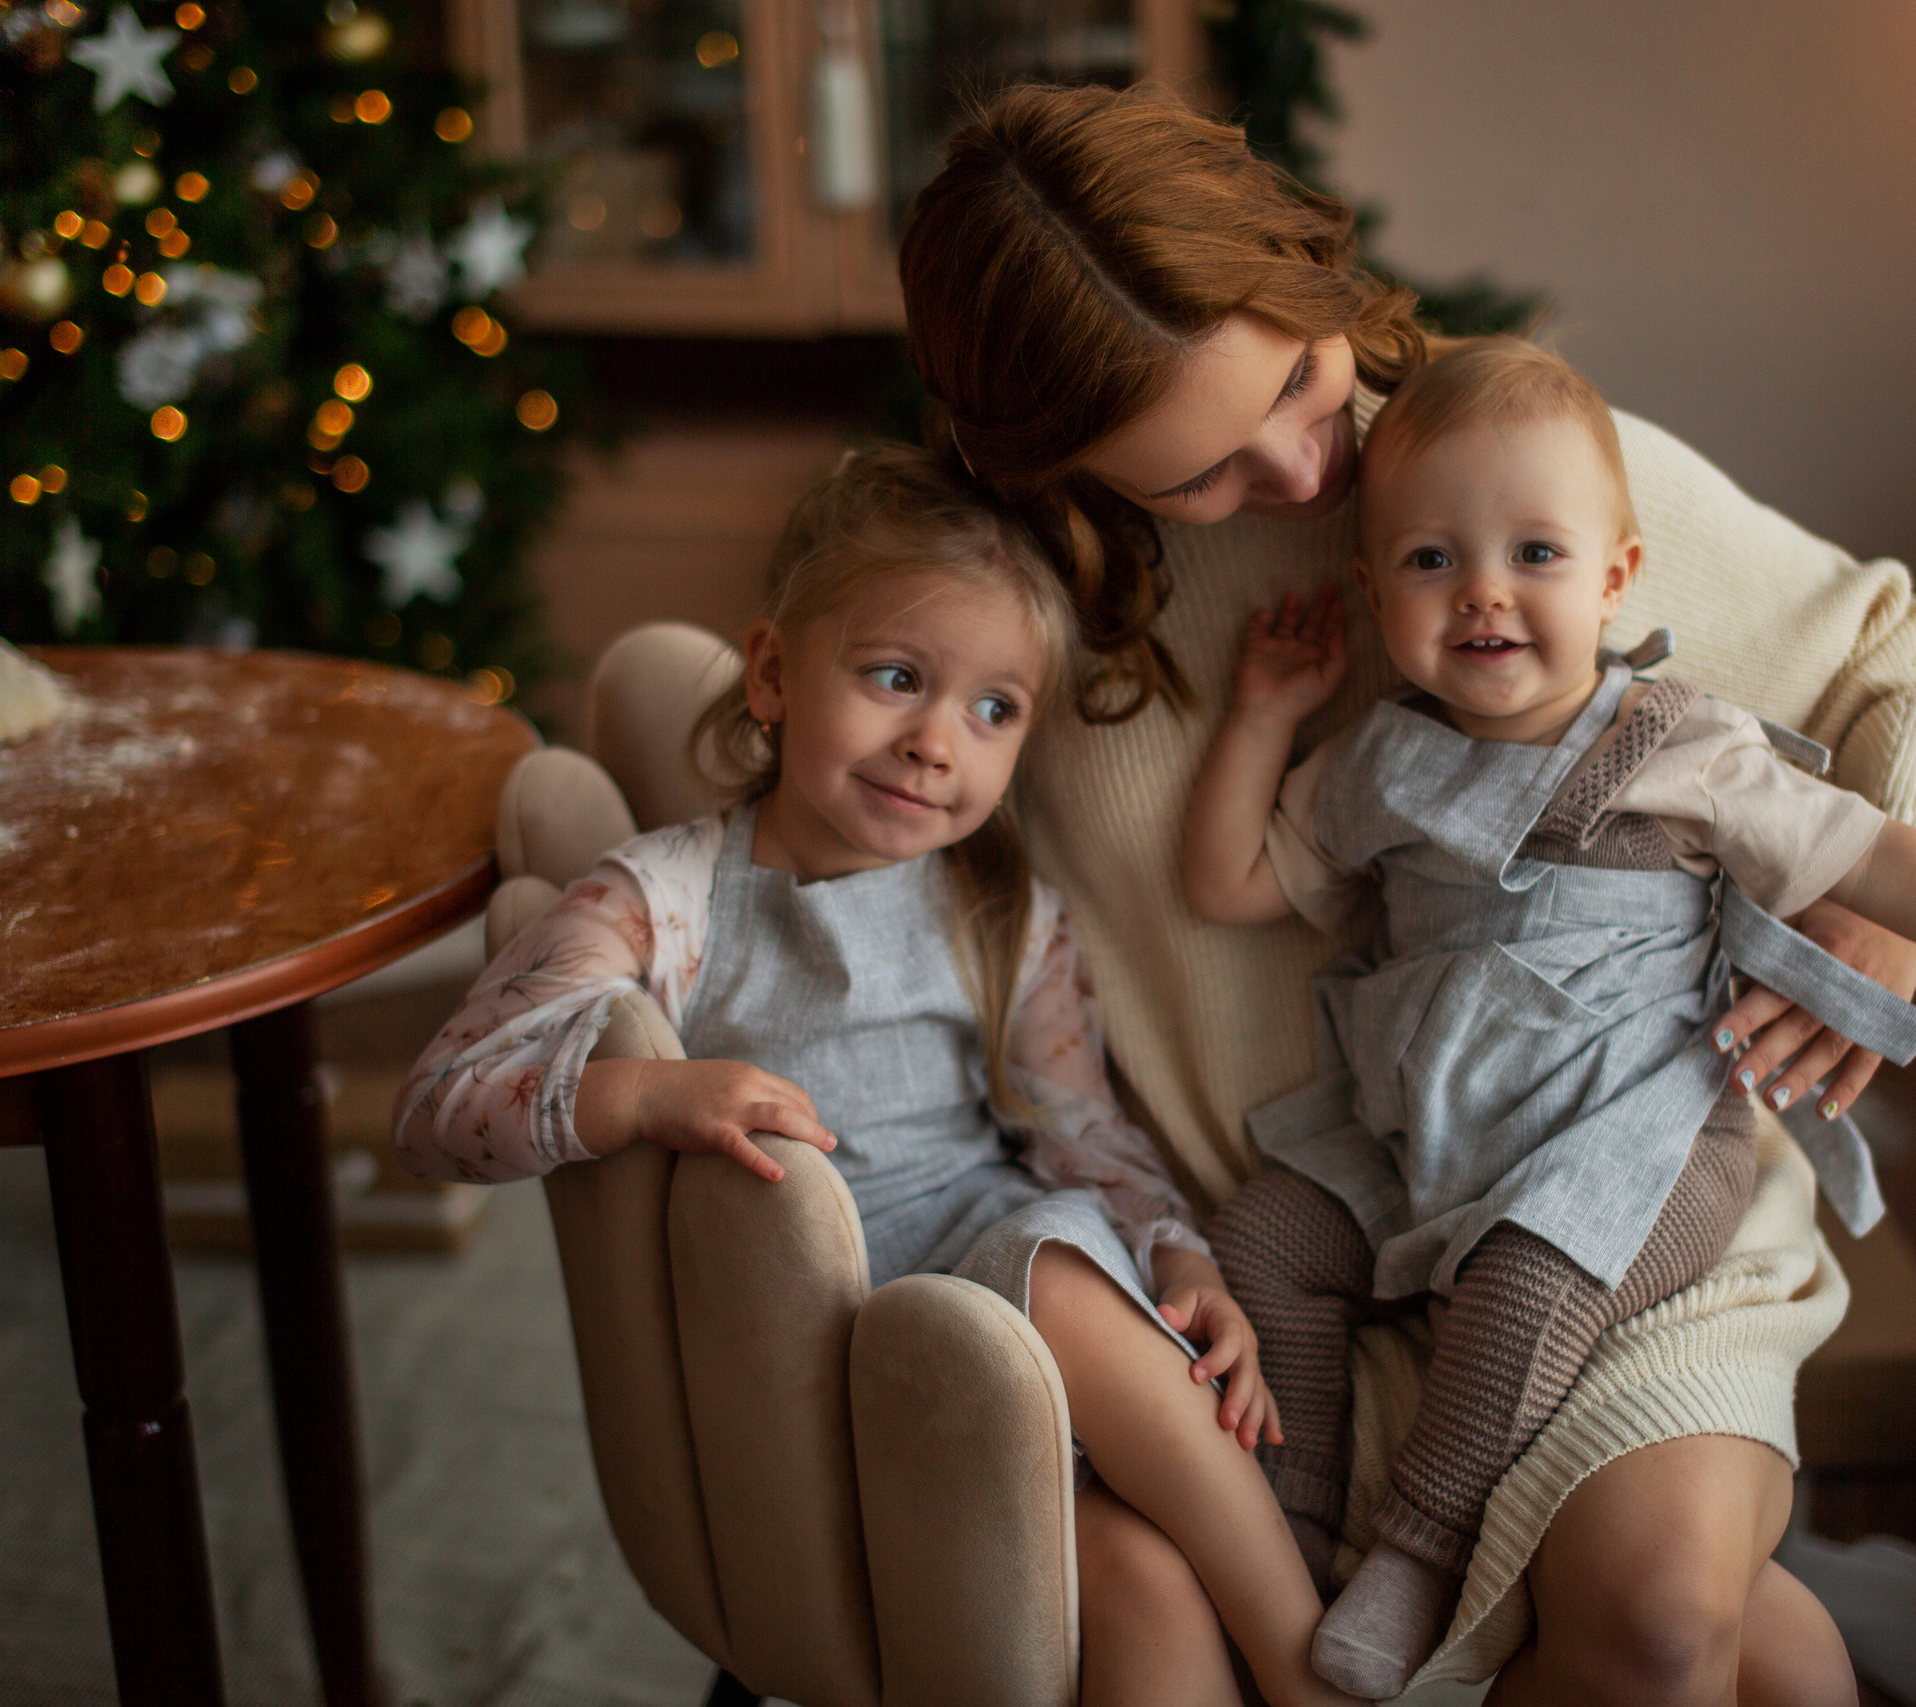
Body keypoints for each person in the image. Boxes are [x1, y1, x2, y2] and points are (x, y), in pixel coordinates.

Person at [901, 80, 1916, 1705]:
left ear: (1303, 258)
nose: (1304, 465)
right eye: (1202, 475)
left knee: (1650, 1622)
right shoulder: (1012, 618)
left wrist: (1885, 909)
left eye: (1297, 370)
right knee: (1761, 1660)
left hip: (1613, 1216)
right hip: (1291, 1280)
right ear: (1047, 468)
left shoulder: (1504, 467)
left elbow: (1896, 660)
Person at [1178, 339, 1916, 1697]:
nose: (1485, 594)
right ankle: (1297, 1515)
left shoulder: (1675, 743)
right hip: (1427, 1132)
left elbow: (1866, 852)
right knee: (1266, 1237)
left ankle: (1415, 1546)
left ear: (1619, 575)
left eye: (1536, 555)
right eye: (1431, 561)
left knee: (1526, 1273)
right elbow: (1225, 882)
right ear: (1370, 585)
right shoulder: (1379, 758)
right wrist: (1262, 717)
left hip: (1634, 1138)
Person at [393, 446, 1362, 1707]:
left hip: (1013, 1286)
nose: (933, 744)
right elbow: (436, 1108)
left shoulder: (1004, 909)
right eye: (895, 678)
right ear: (775, 673)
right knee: (1120, 1534)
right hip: (831, 1350)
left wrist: (1178, 1253)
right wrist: (642, 1093)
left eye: (993, 709)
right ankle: (1316, 1676)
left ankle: (1299, 1665)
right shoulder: (669, 895)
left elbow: (1083, 1132)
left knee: (1135, 1530)